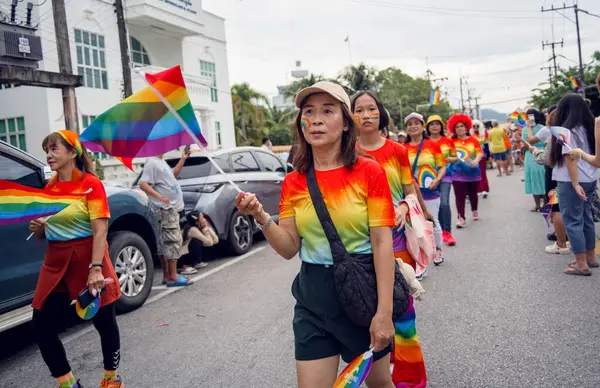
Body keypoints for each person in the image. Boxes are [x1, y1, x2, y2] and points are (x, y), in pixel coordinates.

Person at [235, 81, 397, 387]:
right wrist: (260, 216)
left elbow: (381, 242)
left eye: (327, 110)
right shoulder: (293, 182)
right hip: (313, 298)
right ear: (301, 124)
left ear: (346, 124)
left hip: (362, 292)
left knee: (379, 384)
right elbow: (288, 248)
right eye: (309, 112)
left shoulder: (369, 172)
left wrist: (384, 313)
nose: (317, 119)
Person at [29, 130, 124, 388]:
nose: (48, 155)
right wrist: (39, 229)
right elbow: (48, 230)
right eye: (46, 150)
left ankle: (110, 379)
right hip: (56, 262)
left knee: (104, 321)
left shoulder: (91, 184)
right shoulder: (49, 188)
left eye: (54, 149)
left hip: (88, 259)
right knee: (41, 325)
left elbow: (100, 230)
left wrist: (95, 269)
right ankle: (68, 384)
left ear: (73, 153)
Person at [352, 90, 428, 388]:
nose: (367, 115)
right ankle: (384, 368)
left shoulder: (396, 150)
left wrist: (404, 206)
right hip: (359, 245)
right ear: (351, 117)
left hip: (396, 241)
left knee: (403, 312)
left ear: (380, 113)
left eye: (372, 109)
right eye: (360, 109)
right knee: (373, 311)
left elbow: (409, 190)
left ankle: (411, 378)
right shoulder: (346, 153)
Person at [549, 94, 598, 275]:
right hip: (590, 177)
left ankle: (581, 262)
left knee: (573, 221)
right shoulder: (590, 126)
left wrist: (575, 183)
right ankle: (591, 257)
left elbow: (570, 158)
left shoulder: (566, 131)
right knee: (586, 218)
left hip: (572, 180)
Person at [139, 148, 191, 287]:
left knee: (165, 242)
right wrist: (160, 197)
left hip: (171, 208)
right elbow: (143, 184)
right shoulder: (152, 162)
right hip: (166, 209)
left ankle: (168, 275)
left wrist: (183, 159)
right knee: (172, 240)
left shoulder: (161, 162)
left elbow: (173, 175)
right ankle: (173, 277)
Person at [404, 112, 447, 269]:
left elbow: (442, 166)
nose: (413, 126)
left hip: (430, 192)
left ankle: (437, 251)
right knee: (415, 227)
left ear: (423, 127)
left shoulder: (432, 145)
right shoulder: (403, 148)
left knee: (432, 222)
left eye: (416, 123)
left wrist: (437, 180)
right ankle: (420, 259)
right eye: (409, 124)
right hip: (411, 194)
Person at [527, 106, 570, 254]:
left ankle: (561, 242)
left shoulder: (552, 135)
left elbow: (545, 158)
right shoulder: (572, 133)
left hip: (555, 173)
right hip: (575, 175)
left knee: (556, 206)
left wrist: (535, 151)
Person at [426, 114, 459, 246]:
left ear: (441, 126)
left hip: (446, 176)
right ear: (427, 127)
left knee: (444, 203)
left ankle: (448, 232)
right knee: (436, 205)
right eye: (432, 124)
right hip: (429, 178)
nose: (435, 126)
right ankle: (439, 231)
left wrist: (448, 159)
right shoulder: (425, 142)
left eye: (437, 124)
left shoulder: (448, 141)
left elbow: (455, 157)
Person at [448, 114, 483, 228]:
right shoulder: (451, 142)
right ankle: (461, 217)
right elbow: (445, 155)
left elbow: (479, 153)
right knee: (459, 196)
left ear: (467, 127)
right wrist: (451, 159)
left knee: (473, 194)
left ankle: (475, 210)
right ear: (454, 129)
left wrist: (476, 161)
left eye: (462, 126)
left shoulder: (473, 140)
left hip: (473, 172)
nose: (460, 128)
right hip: (457, 173)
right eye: (457, 127)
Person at [522, 109, 547, 212]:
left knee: (533, 179)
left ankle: (537, 205)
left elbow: (527, 144)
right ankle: (546, 204)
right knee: (544, 180)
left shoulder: (525, 130)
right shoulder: (543, 128)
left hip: (531, 156)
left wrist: (528, 128)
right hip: (543, 154)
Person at [472, 120, 490, 198]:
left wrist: (488, 155)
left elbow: (486, 145)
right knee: (475, 173)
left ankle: (484, 189)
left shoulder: (484, 134)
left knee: (482, 173)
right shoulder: (470, 135)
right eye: (474, 126)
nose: (475, 127)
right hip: (473, 157)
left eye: (477, 126)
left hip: (482, 156)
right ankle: (477, 190)